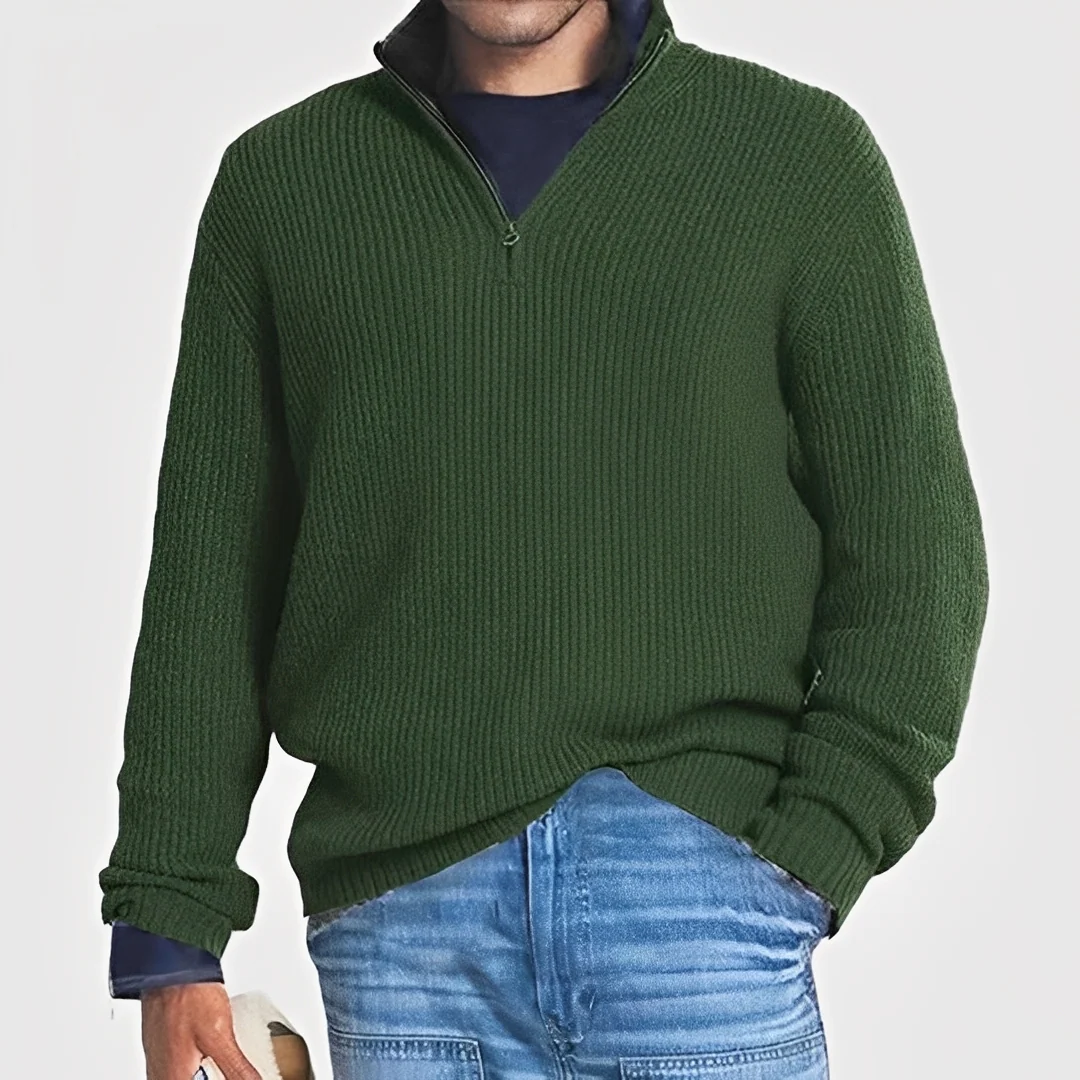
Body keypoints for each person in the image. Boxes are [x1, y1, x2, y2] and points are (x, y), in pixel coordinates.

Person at [98, 1, 990, 1077]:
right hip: (405, 921)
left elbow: (917, 557)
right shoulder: (284, 184)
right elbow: (210, 579)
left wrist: (811, 851)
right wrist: (167, 929)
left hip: (701, 894)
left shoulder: (796, 157)